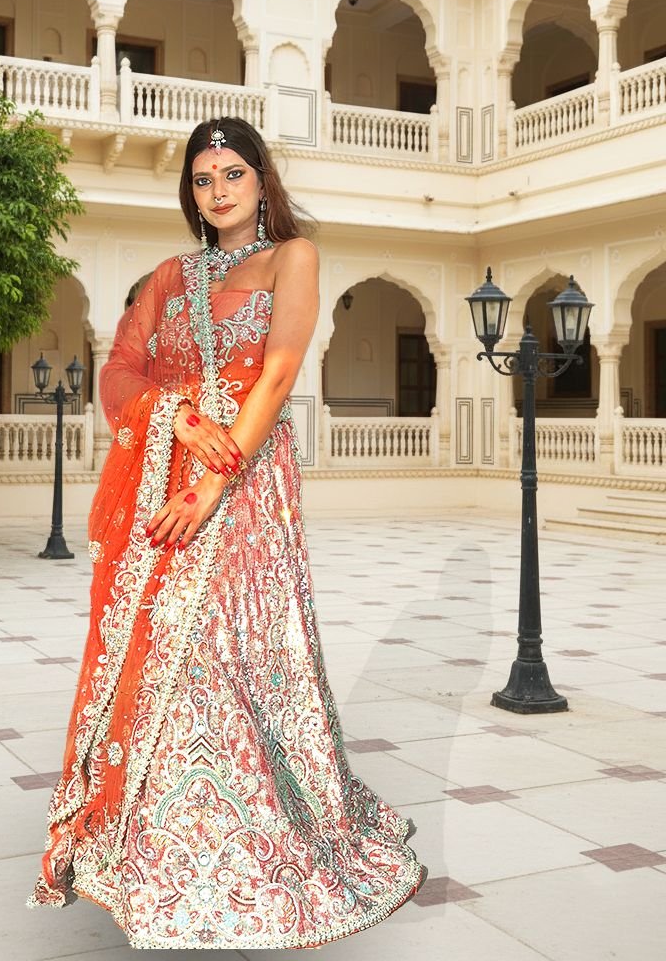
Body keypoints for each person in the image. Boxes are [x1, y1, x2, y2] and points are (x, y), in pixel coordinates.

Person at [28, 116, 425, 947]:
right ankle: (154, 844)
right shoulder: (170, 276)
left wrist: (216, 479)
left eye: (232, 175)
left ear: (260, 179)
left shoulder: (294, 257)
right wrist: (172, 420)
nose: (218, 192)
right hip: (167, 479)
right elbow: (122, 371)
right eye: (203, 180)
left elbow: (278, 371)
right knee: (156, 645)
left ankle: (251, 845)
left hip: (243, 481)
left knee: (226, 647)